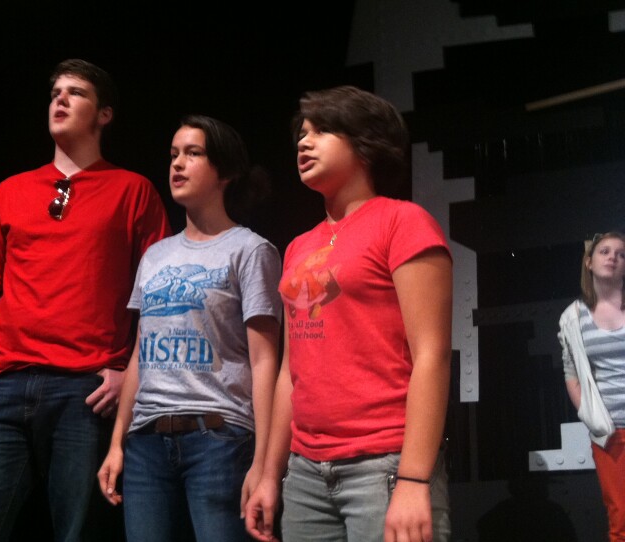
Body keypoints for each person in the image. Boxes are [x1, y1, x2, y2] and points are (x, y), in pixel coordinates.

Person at [0, 58, 171, 542]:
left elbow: (159, 296)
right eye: (55, 92)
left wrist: (129, 372)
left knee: (78, 533)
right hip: (3, 384)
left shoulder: (133, 190)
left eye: (75, 92)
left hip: (86, 391)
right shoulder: (12, 189)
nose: (60, 99)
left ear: (104, 114)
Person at [244, 86, 453, 542]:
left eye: (321, 131)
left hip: (384, 464)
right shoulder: (298, 247)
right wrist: (269, 474)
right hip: (305, 473)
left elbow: (432, 354)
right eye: (302, 134)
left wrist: (414, 479)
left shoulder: (403, 222)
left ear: (365, 143)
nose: (304, 142)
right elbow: (291, 372)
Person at [96, 114, 282, 541]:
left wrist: (263, 462)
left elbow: (264, 360)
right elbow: (139, 355)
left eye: (193, 153)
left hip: (218, 437)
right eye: (173, 154)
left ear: (225, 172)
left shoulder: (250, 250)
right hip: (146, 443)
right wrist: (117, 443)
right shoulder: (155, 256)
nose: (177, 164)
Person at [557, 231, 625, 542]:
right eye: (605, 251)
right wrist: (589, 415)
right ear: (589, 262)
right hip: (612, 432)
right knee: (620, 518)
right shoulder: (573, 317)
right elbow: (571, 372)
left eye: (621, 254)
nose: (613, 257)